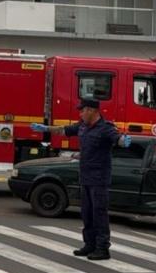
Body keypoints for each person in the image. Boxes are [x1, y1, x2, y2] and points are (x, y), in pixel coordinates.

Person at [31, 98, 131, 261]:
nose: (80, 113)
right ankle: (89, 244)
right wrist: (45, 128)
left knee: (99, 213)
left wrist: (123, 141)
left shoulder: (105, 128)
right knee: (87, 213)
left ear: (92, 111)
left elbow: (117, 138)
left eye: (82, 110)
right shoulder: (82, 126)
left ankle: (102, 248)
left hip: (99, 179)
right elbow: (64, 130)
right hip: (85, 177)